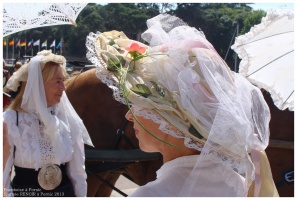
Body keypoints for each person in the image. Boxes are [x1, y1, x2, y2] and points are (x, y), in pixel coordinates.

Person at [86, 14, 279, 197]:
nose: (129, 116)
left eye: (139, 104)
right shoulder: (241, 185)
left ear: (169, 118)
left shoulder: (151, 195)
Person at [3, 50, 93, 197]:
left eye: (63, 81)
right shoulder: (12, 121)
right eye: (57, 82)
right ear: (38, 84)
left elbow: (78, 174)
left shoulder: (68, 120)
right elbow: (3, 177)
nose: (63, 88)